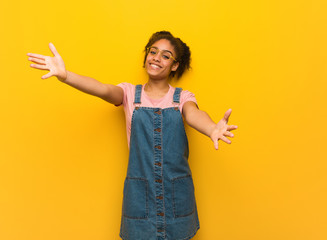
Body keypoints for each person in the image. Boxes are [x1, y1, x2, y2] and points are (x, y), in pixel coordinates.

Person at [27, 30, 238, 240]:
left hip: (177, 195)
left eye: (166, 56)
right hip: (140, 196)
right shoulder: (129, 93)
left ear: (174, 65)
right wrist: (65, 75)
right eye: (153, 51)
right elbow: (101, 89)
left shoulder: (182, 97)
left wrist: (211, 128)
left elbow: (193, 115)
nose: (156, 58)